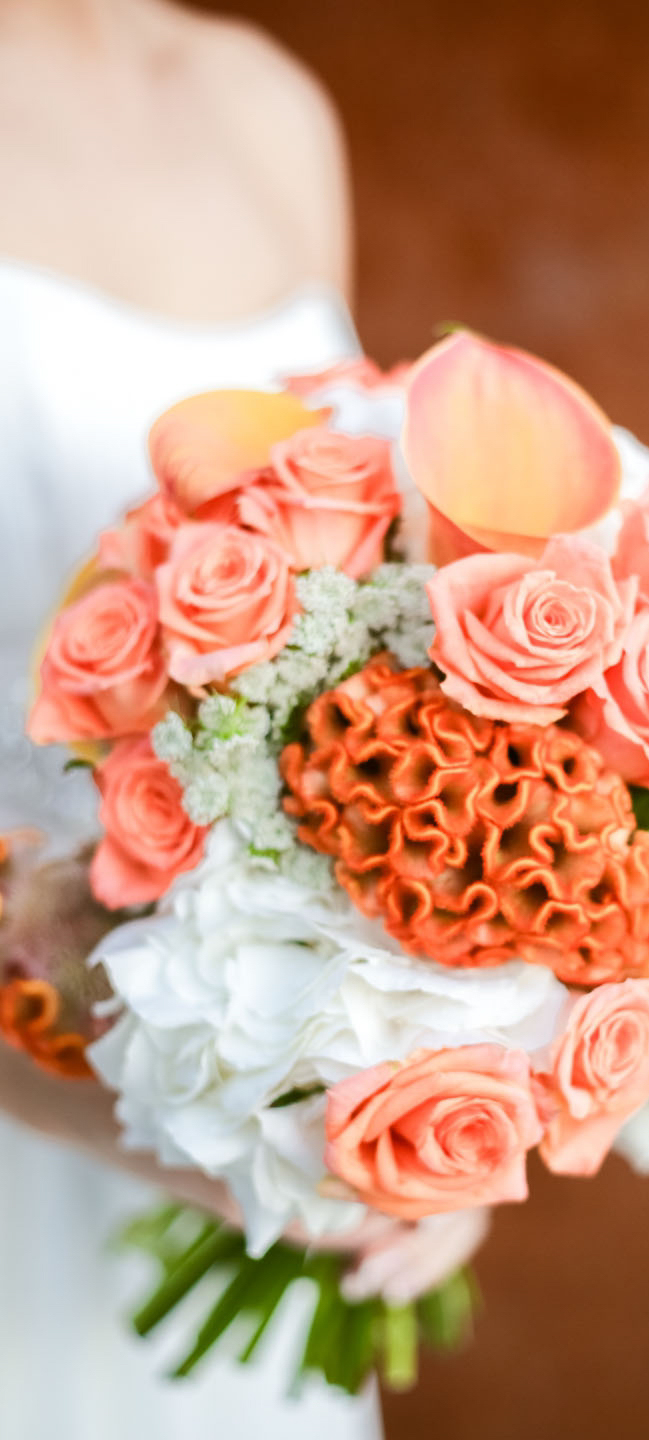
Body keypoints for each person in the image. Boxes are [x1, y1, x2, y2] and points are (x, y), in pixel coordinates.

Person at [0, 3, 484, 1435]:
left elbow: (360, 588)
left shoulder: (268, 104)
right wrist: (156, 1117)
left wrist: (453, 1087)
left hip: (243, 1105)